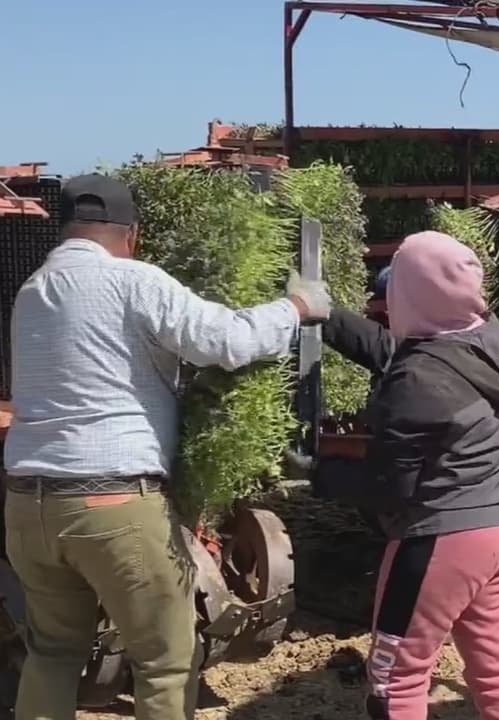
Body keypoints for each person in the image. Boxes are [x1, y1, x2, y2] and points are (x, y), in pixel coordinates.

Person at [3, 174, 331, 720]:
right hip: (111, 503)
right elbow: (226, 340)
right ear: (131, 233)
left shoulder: (34, 290)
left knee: (54, 652)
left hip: (28, 505)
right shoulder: (132, 280)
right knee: (165, 658)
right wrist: (295, 308)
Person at [316, 231, 499, 720]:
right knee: (494, 663)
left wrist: (318, 473)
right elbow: (401, 354)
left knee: (395, 678)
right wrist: (327, 314)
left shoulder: (415, 381)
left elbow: (390, 489)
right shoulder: (492, 344)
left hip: (443, 537)